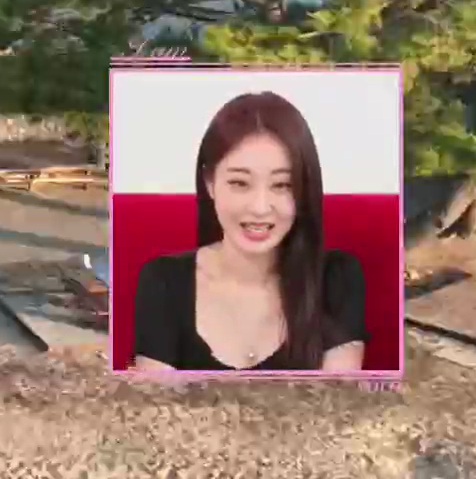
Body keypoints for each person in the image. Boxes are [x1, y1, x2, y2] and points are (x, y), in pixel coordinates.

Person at [131, 91, 367, 372]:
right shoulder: (164, 280)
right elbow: (155, 396)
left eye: (282, 185)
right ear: (209, 182)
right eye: (240, 183)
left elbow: (338, 395)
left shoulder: (337, 278)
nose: (259, 208)